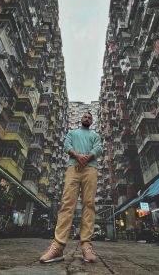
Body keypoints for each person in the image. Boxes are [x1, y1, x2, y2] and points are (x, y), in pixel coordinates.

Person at [40, 111, 102, 263]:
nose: (87, 119)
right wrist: (78, 156)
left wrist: (86, 157)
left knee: (89, 204)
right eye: (85, 117)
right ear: (81, 120)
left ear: (91, 121)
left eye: (89, 118)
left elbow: (98, 148)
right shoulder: (72, 133)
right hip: (73, 168)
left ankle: (86, 246)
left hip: (91, 168)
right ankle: (58, 247)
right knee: (67, 203)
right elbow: (66, 145)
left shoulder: (95, 136)